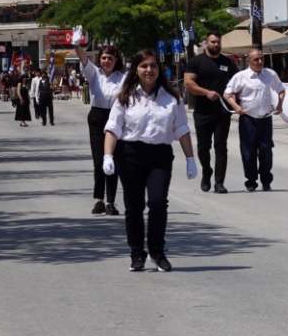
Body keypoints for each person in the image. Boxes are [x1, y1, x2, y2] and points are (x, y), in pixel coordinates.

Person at [102, 50, 198, 272]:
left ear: (159, 69)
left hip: (159, 156)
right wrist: (108, 155)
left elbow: (182, 129)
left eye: (153, 65)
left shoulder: (172, 98)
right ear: (136, 69)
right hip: (130, 155)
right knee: (133, 206)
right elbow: (113, 129)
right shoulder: (125, 97)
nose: (149, 70)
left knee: (157, 202)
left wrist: (190, 159)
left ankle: (157, 250)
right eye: (144, 66)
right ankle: (137, 252)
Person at [73, 25, 124, 216]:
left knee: (113, 162)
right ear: (99, 59)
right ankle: (99, 200)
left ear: (116, 60)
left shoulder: (123, 78)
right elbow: (83, 59)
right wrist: (76, 45)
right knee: (98, 162)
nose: (106, 61)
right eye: (103, 58)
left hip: (116, 118)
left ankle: (111, 202)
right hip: (97, 117)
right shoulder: (93, 73)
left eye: (110, 58)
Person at [222, 47, 285, 192]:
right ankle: (251, 181)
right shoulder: (241, 76)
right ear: (248, 61)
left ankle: (266, 180)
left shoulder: (270, 74)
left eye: (262, 58)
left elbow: (281, 89)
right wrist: (236, 106)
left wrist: (280, 104)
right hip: (248, 120)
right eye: (256, 59)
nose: (260, 61)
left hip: (265, 119)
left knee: (266, 150)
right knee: (248, 153)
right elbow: (227, 94)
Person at [184, 31, 238, 194]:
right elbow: (188, 83)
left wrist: (235, 99)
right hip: (202, 111)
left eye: (218, 42)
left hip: (222, 112)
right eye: (213, 42)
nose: (216, 44)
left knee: (221, 147)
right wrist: (206, 92)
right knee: (203, 147)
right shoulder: (196, 62)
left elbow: (237, 83)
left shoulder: (228, 63)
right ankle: (206, 171)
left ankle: (219, 183)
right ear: (206, 43)